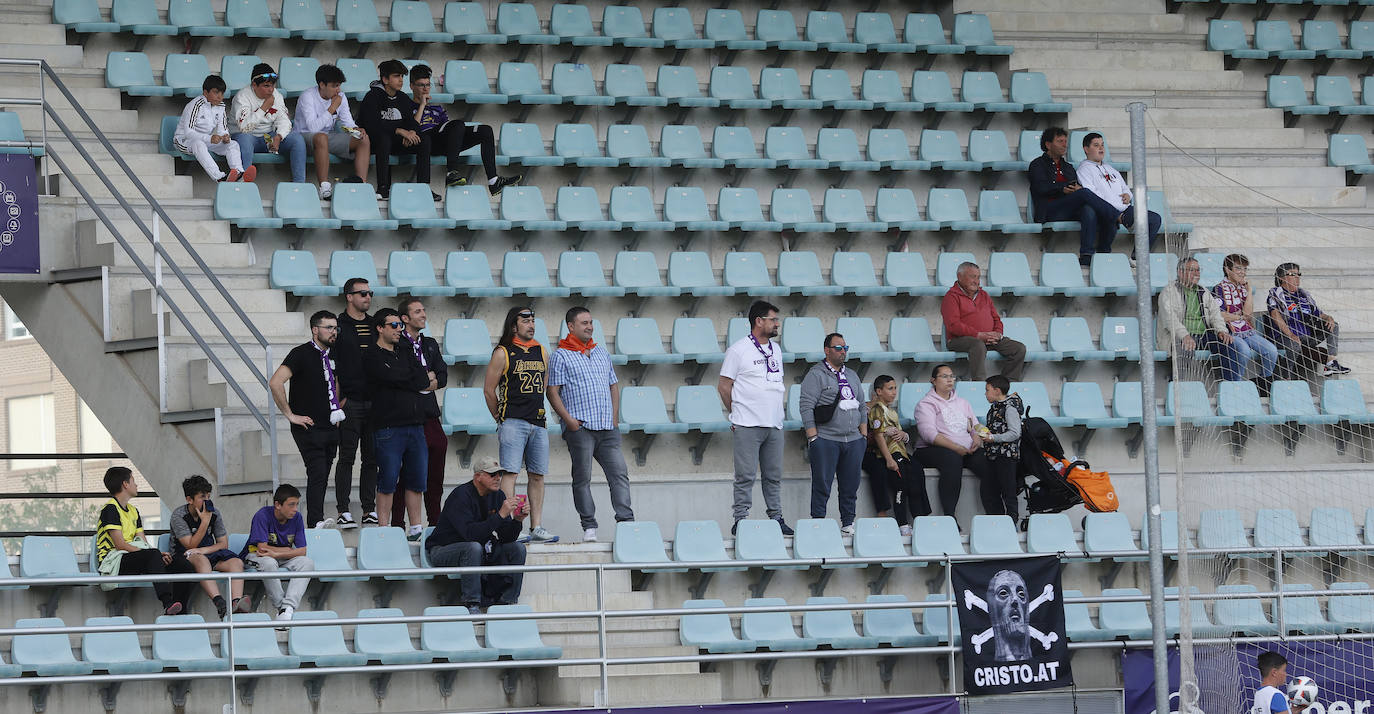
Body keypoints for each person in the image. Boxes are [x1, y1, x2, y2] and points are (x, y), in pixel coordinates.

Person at [547, 306, 634, 543]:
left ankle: (625, 522)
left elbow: (613, 385)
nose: (590, 326)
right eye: (584, 323)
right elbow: (552, 392)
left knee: (619, 475)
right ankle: (589, 526)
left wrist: (615, 418)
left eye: (591, 322)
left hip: (607, 428)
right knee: (582, 478)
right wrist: (569, 422)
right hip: (582, 429)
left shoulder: (601, 353)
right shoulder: (561, 356)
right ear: (571, 326)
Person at [483, 306, 558, 543]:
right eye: (525, 320)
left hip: (538, 421)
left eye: (533, 320)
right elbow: (488, 390)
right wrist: (500, 418)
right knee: (510, 474)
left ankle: (536, 527)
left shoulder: (542, 351)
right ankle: (508, 526)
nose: (531, 324)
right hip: (513, 421)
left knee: (537, 475)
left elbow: (544, 387)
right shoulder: (503, 352)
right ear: (513, 325)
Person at [719, 300, 791, 536]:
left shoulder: (777, 349)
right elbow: (724, 385)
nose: (777, 324)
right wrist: (736, 414)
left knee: (773, 475)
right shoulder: (738, 350)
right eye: (773, 319)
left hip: (774, 422)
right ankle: (740, 518)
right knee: (745, 475)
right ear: (759, 321)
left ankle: (777, 516)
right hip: (747, 423)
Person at [269, 309, 344, 529]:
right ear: (314, 330)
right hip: (309, 427)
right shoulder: (300, 353)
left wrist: (336, 407)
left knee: (324, 472)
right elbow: (276, 382)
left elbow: (337, 381)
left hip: (330, 425)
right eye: (328, 327)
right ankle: (315, 522)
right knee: (318, 472)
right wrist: (290, 414)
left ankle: (317, 519)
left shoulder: (334, 353)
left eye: (335, 328)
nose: (333, 332)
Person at [425, 458, 529, 612]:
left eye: (499, 474)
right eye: (492, 474)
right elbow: (470, 534)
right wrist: (500, 515)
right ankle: (472, 604)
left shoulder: (498, 495)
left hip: (477, 548)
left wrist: (517, 520)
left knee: (517, 549)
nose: (498, 478)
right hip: (442, 550)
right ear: (478, 476)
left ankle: (508, 602)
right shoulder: (460, 496)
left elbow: (506, 537)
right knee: (473, 548)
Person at [362, 307, 432, 537]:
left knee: (417, 479)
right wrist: (409, 379)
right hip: (389, 427)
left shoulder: (405, 350)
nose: (399, 329)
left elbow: (422, 378)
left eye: (400, 325)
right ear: (380, 328)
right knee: (388, 479)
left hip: (415, 425)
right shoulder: (371, 354)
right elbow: (388, 377)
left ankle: (415, 527)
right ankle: (383, 529)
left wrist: (406, 378)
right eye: (393, 325)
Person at [95, 466, 196, 616]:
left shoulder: (134, 511)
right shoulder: (110, 509)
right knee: (153, 555)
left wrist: (158, 555)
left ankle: (180, 611)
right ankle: (167, 603)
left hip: (133, 556)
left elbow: (143, 543)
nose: (136, 485)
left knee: (183, 565)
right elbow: (120, 544)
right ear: (125, 484)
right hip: (113, 561)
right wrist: (152, 554)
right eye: (133, 481)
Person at [408, 63, 521, 196]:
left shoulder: (437, 108)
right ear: (411, 86)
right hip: (425, 142)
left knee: (485, 131)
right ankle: (452, 172)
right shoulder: (406, 105)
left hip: (443, 143)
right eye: (421, 85)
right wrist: (422, 105)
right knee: (458, 124)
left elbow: (447, 130)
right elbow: (412, 128)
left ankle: (493, 181)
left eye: (428, 85)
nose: (425, 89)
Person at [800, 332, 868, 534]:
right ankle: (818, 522)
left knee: (850, 486)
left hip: (854, 440)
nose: (842, 352)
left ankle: (848, 522)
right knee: (822, 484)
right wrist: (813, 437)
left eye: (845, 348)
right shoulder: (816, 375)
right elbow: (806, 406)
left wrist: (863, 434)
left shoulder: (852, 375)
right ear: (826, 350)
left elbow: (863, 405)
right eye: (838, 348)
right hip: (826, 439)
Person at [390, 298, 449, 528]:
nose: (423, 314)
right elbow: (409, 379)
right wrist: (426, 379)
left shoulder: (431, 343)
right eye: (417, 311)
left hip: (430, 416)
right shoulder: (397, 344)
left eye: (424, 310)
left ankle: (436, 524)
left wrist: (426, 382)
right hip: (407, 417)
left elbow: (442, 376)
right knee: (405, 475)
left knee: (435, 474)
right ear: (405, 318)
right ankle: (398, 524)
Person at [1027, 126, 1121, 266]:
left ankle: (1091, 254)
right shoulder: (1037, 164)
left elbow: (1076, 186)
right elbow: (1040, 187)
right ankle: (1117, 215)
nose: (1065, 145)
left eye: (1065, 141)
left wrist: (1073, 189)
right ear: (1048, 144)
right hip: (1049, 210)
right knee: (1085, 194)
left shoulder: (1068, 167)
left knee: (1089, 209)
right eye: (1060, 141)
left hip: (1069, 208)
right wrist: (1062, 189)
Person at [913, 364, 992, 522]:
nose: (950, 380)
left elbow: (975, 426)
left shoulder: (963, 403)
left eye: (952, 376)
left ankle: (993, 513)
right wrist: (956, 448)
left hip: (965, 449)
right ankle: (950, 516)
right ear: (933, 381)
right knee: (952, 460)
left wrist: (976, 439)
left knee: (989, 461)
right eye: (944, 376)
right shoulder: (926, 404)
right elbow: (929, 435)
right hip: (932, 449)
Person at [169, 475, 249, 619]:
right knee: (201, 560)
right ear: (189, 499)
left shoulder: (214, 512)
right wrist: (204, 522)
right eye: (202, 497)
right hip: (184, 557)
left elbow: (223, 543)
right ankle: (220, 603)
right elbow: (189, 545)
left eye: (208, 496)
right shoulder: (179, 516)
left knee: (236, 562)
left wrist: (203, 550)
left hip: (208, 552)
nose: (207, 501)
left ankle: (236, 604)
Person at [331, 278, 378, 528]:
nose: (367, 297)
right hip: (350, 403)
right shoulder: (338, 326)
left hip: (375, 403)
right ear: (349, 296)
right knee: (347, 457)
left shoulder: (375, 325)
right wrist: (336, 404)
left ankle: (369, 509)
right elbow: (334, 369)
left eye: (370, 293)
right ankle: (343, 510)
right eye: (362, 293)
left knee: (372, 459)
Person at [861, 375, 930, 537]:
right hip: (874, 451)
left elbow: (898, 434)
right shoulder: (870, 410)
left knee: (917, 469)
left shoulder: (890, 410)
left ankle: (920, 515)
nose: (894, 393)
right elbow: (874, 435)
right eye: (890, 389)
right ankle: (893, 518)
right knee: (889, 475)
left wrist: (903, 435)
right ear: (877, 392)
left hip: (895, 450)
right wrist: (889, 458)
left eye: (894, 389)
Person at [294, 63, 370, 200]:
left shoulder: (341, 96)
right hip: (303, 137)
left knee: (363, 139)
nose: (338, 90)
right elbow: (313, 128)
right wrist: (332, 107)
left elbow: (348, 122)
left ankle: (361, 184)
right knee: (321, 137)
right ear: (322, 85)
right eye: (334, 86)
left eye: (339, 85)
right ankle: (324, 188)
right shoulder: (308, 96)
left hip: (328, 137)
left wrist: (356, 129)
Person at [1074, 132, 1160, 250]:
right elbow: (1092, 194)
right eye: (1096, 145)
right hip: (1107, 211)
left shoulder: (1110, 168)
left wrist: (1128, 195)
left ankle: (1137, 258)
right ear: (1086, 149)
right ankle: (1125, 220)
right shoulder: (1083, 170)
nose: (1101, 148)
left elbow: (1124, 187)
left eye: (1102, 145)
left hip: (1125, 209)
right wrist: (1115, 206)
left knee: (1155, 219)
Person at [941, 261, 1026, 381]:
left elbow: (996, 319)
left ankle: (1006, 385)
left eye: (978, 277)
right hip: (959, 340)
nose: (976, 281)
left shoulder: (984, 295)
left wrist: (997, 334)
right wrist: (978, 335)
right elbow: (953, 325)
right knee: (978, 345)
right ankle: (980, 384)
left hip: (988, 339)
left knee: (1018, 348)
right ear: (960, 277)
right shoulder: (951, 297)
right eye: (972, 277)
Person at [242, 483, 314, 624]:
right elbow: (262, 549)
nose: (295, 509)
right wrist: (287, 551)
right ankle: (282, 609)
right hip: (256, 555)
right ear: (278, 505)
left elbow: (302, 551)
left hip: (279, 557)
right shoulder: (262, 515)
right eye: (291, 505)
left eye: (297, 504)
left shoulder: (297, 518)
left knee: (307, 563)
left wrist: (278, 553)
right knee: (269, 563)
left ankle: (287, 607)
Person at [1158, 257, 1239, 380]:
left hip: (1203, 336)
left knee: (1228, 344)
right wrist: (1185, 335)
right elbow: (1170, 320)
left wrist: (1221, 331)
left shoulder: (1204, 291)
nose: (1197, 273)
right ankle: (1179, 387)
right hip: (1179, 337)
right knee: (1184, 346)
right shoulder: (1168, 291)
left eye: (1198, 270)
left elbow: (1215, 315)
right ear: (1180, 272)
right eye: (1192, 270)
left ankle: (1230, 385)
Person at [359, 59, 428, 200]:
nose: (401, 80)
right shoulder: (372, 96)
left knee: (424, 139)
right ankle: (383, 187)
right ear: (385, 79)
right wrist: (399, 130)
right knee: (384, 138)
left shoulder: (402, 98)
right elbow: (372, 126)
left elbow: (411, 122)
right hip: (374, 142)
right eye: (397, 76)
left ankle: (424, 187)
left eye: (402, 76)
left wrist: (412, 132)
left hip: (398, 142)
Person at [1266, 262, 1350, 378]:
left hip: (1305, 337)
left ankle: (1331, 362)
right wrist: (1291, 335)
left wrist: (1328, 318)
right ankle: (1285, 377)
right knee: (1294, 345)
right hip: (1283, 337)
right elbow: (1275, 315)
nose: (1297, 277)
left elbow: (1318, 313)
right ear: (1281, 277)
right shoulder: (1276, 293)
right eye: (1292, 274)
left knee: (1333, 325)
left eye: (1298, 274)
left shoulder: (1303, 295)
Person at [230, 63, 307, 183]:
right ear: (254, 85)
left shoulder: (277, 95)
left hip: (268, 137)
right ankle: (241, 184)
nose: (271, 90)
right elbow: (244, 128)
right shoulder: (242, 97)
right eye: (266, 86)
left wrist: (279, 136)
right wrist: (264, 107)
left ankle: (299, 184)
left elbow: (284, 120)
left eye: (272, 85)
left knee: (297, 140)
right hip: (245, 137)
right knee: (244, 139)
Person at [1212, 254, 1279, 393]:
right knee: (1244, 350)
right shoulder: (1218, 288)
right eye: (1238, 268)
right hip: (1229, 332)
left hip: (1247, 332)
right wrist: (1238, 316)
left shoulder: (1243, 289)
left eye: (1244, 269)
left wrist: (1249, 292)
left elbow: (1248, 315)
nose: (1242, 272)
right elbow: (1219, 315)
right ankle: (1235, 385)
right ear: (1227, 270)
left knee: (1271, 351)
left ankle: (1262, 384)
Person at [174, 74, 255, 183]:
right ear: (205, 93)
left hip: (205, 140)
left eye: (222, 93)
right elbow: (188, 132)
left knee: (233, 144)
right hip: (184, 141)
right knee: (198, 144)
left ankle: (239, 173)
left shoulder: (221, 106)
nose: (220, 97)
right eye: (216, 92)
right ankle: (219, 177)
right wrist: (209, 138)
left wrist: (225, 136)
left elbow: (223, 129)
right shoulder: (195, 105)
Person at [980, 376, 1023, 522]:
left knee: (1008, 492)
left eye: (987, 390)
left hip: (1006, 456)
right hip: (992, 456)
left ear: (997, 391)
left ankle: (1011, 522)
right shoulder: (993, 408)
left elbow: (1015, 433)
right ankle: (996, 521)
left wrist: (993, 438)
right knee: (988, 492)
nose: (985, 394)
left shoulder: (1009, 408)